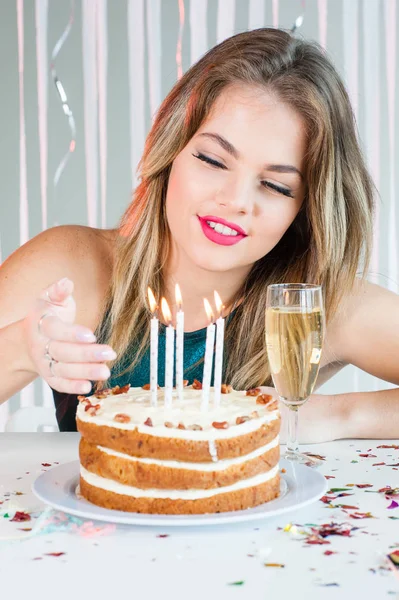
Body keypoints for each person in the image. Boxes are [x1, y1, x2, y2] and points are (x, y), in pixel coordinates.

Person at [0, 28, 398, 439]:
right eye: (213, 160)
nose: (236, 200)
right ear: (171, 149)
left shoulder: (310, 309)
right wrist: (20, 349)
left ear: (305, 209)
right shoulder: (73, 268)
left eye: (277, 186)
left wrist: (341, 416)